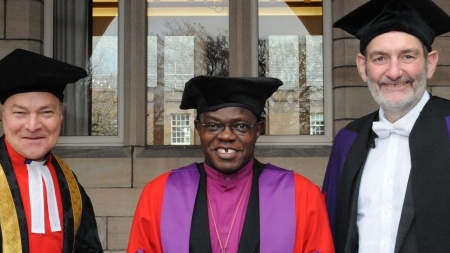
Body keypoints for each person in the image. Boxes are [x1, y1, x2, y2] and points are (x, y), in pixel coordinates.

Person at [127, 76, 334, 253]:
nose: (226, 135)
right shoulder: (160, 194)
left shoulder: (302, 195)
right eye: (213, 125)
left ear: (258, 129)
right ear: (198, 128)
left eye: (241, 126)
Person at [322, 0, 450, 252]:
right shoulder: (347, 140)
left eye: (408, 56)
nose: (393, 72)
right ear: (363, 66)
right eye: (380, 58)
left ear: (430, 63)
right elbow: (331, 229)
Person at [0, 49, 103, 252]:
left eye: (46, 112)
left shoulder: (69, 181)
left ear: (61, 116)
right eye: (20, 113)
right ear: (3, 116)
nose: (32, 125)